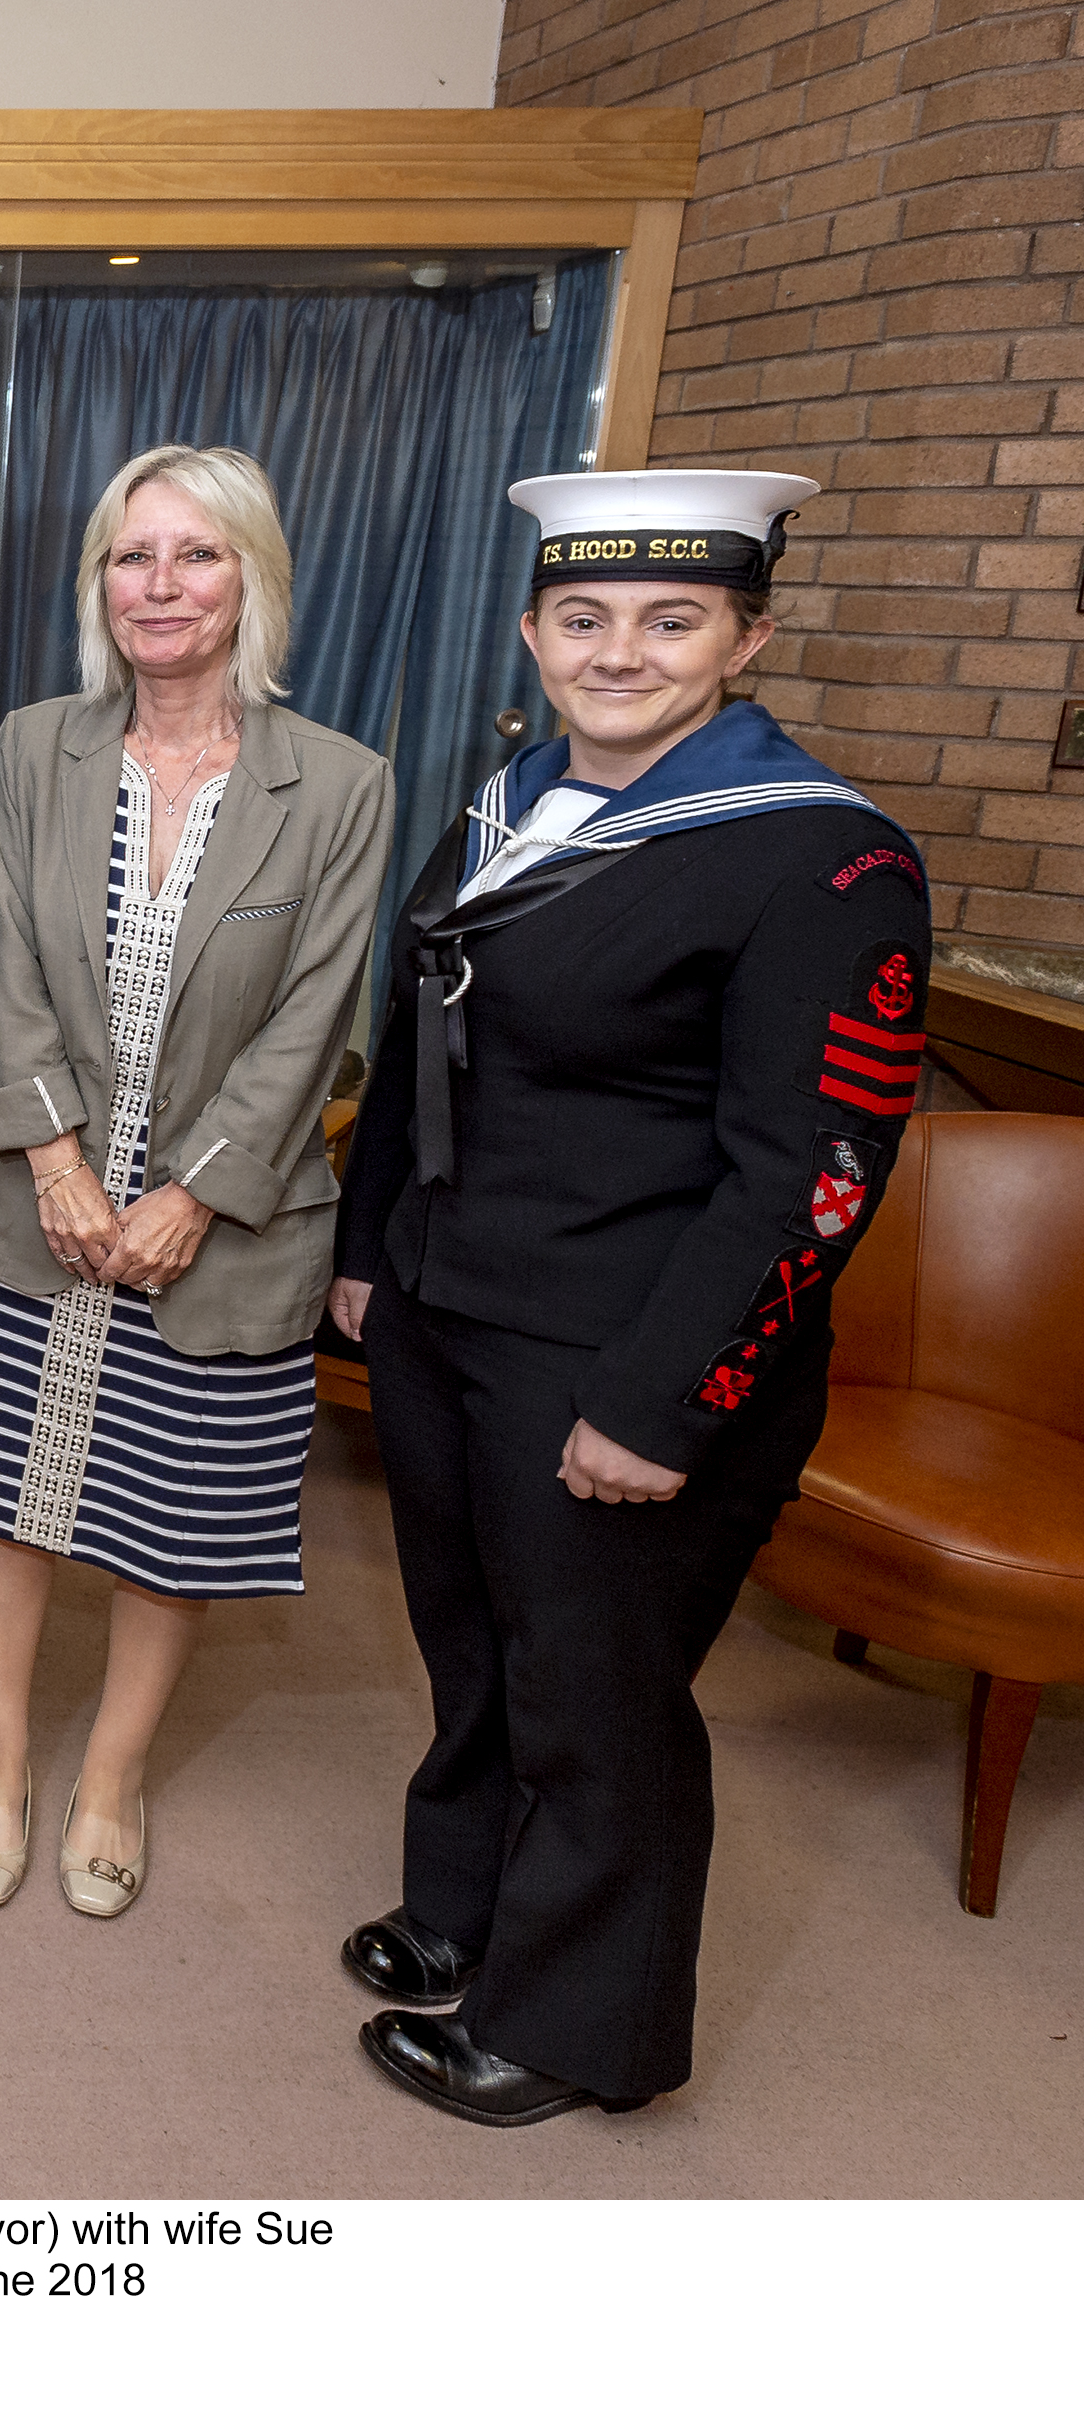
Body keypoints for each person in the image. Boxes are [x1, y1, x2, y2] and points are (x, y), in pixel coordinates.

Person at [331, 468, 928, 2125]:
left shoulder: (822, 859)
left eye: (672, 621)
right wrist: (375, 1253)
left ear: (744, 636)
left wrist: (665, 1400)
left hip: (624, 1352)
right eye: (584, 619)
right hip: (459, 1318)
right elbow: (418, 1055)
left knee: (600, 1692)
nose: (621, 653)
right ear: (532, 633)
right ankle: (465, 1914)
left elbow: (810, 1177)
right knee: (475, 1645)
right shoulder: (508, 804)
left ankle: (576, 2023)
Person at [0, 445, 393, 1917]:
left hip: (222, 1232)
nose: (160, 586)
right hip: (28, 1208)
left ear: (253, 579)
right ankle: (0, 1758)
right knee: (8, 1498)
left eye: (196, 556)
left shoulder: (341, 786)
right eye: (132, 557)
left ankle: (112, 1774)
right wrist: (49, 1157)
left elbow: (321, 1018)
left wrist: (196, 1192)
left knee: (169, 1516)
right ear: (97, 584)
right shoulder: (32, 748)